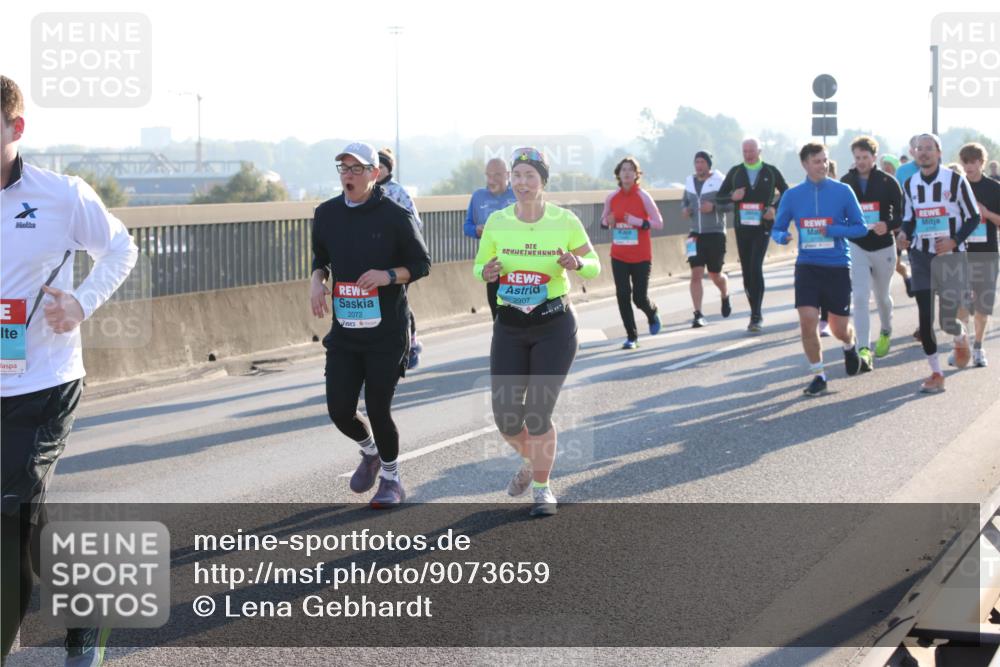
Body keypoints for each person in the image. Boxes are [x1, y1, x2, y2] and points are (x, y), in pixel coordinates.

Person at [1, 75, 138, 666]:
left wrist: (81, 301)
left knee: (11, 511)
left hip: (43, 383)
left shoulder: (61, 195)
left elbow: (121, 247)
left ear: (16, 128)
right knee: (26, 516)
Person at [474, 148, 600, 516]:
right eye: (517, 176)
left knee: (537, 414)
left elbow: (593, 265)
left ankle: (542, 489)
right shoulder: (498, 222)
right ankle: (534, 461)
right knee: (505, 417)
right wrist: (487, 272)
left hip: (553, 326)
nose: (522, 183)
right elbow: (479, 266)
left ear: (543, 181)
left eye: (530, 176)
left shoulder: (564, 220)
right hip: (510, 326)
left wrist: (577, 262)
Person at [310, 141, 431, 507]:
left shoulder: (395, 215)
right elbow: (322, 258)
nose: (348, 175)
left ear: (374, 174)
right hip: (346, 331)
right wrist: (317, 280)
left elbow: (421, 265)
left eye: (356, 169)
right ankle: (370, 452)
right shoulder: (327, 213)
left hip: (386, 332)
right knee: (340, 409)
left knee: (378, 408)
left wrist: (388, 275)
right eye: (343, 169)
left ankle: (392, 480)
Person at [771, 143, 868, 396]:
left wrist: (835, 230)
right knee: (808, 321)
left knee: (838, 328)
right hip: (807, 266)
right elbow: (777, 227)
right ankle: (819, 374)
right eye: (817, 161)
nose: (823, 165)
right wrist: (782, 237)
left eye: (825, 160)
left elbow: (861, 228)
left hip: (836, 265)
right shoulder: (792, 196)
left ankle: (849, 344)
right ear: (805, 164)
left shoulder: (843, 191)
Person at [897, 134, 981, 393]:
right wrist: (903, 234)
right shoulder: (910, 183)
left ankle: (960, 337)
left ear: (938, 152)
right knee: (925, 316)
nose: (923, 153)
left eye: (928, 149)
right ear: (914, 153)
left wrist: (954, 241)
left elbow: (973, 217)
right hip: (921, 256)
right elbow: (909, 218)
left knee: (948, 319)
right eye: (919, 149)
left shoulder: (955, 180)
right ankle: (936, 373)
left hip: (950, 256)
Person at [840, 136, 904, 367]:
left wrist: (887, 225)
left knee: (882, 297)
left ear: (874, 157)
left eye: (865, 157)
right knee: (859, 297)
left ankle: (886, 330)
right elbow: (840, 212)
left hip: (883, 245)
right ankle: (864, 349)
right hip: (857, 245)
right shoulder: (846, 181)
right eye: (857, 158)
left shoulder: (888, 182)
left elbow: (902, 214)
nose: (861, 162)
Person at [717, 137, 789, 333]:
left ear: (759, 151)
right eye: (745, 152)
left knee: (756, 266)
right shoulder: (735, 172)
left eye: (751, 151)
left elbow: (787, 193)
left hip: (763, 226)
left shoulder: (770, 171)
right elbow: (719, 197)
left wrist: (773, 208)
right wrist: (733, 196)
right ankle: (754, 310)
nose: (748, 155)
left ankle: (756, 315)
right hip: (742, 227)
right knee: (747, 272)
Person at [599, 156, 663, 348]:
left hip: (641, 256)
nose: (626, 173)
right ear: (618, 174)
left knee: (639, 298)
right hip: (619, 255)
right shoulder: (612, 198)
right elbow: (603, 222)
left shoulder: (643, 196)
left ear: (636, 175)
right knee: (622, 294)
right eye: (623, 169)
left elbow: (659, 223)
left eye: (630, 170)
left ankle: (652, 313)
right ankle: (632, 336)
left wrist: (639, 222)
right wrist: (607, 221)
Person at [377, 148, 424, 370]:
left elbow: (415, 222)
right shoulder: (361, 191)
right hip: (372, 261)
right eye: (373, 167)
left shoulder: (397, 192)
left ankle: (411, 343)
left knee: (399, 301)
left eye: (381, 167)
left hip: (398, 260)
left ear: (388, 169)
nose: (377, 172)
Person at [953, 142, 1000, 367]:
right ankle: (962, 348)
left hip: (987, 252)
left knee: (982, 306)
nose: (969, 166)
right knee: (961, 303)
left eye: (974, 162)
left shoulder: (993, 188)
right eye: (966, 162)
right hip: (961, 252)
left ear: (982, 162)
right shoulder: (956, 187)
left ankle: (979, 347)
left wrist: (987, 213)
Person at [681, 150, 732, 328]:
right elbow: (684, 202)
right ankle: (698, 313)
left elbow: (730, 204)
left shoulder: (720, 180)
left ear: (709, 164)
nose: (699, 166)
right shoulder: (689, 182)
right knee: (695, 274)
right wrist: (685, 210)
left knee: (714, 274)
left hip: (716, 233)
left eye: (702, 162)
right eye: (697, 162)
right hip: (695, 234)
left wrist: (714, 207)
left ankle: (725, 294)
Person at [464, 158, 517, 320]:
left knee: (521, 318)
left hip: (519, 266)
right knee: (499, 319)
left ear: (508, 175)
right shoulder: (478, 196)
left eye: (497, 175)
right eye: (488, 175)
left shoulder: (519, 194)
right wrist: (476, 230)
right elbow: (467, 227)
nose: (491, 180)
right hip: (493, 267)